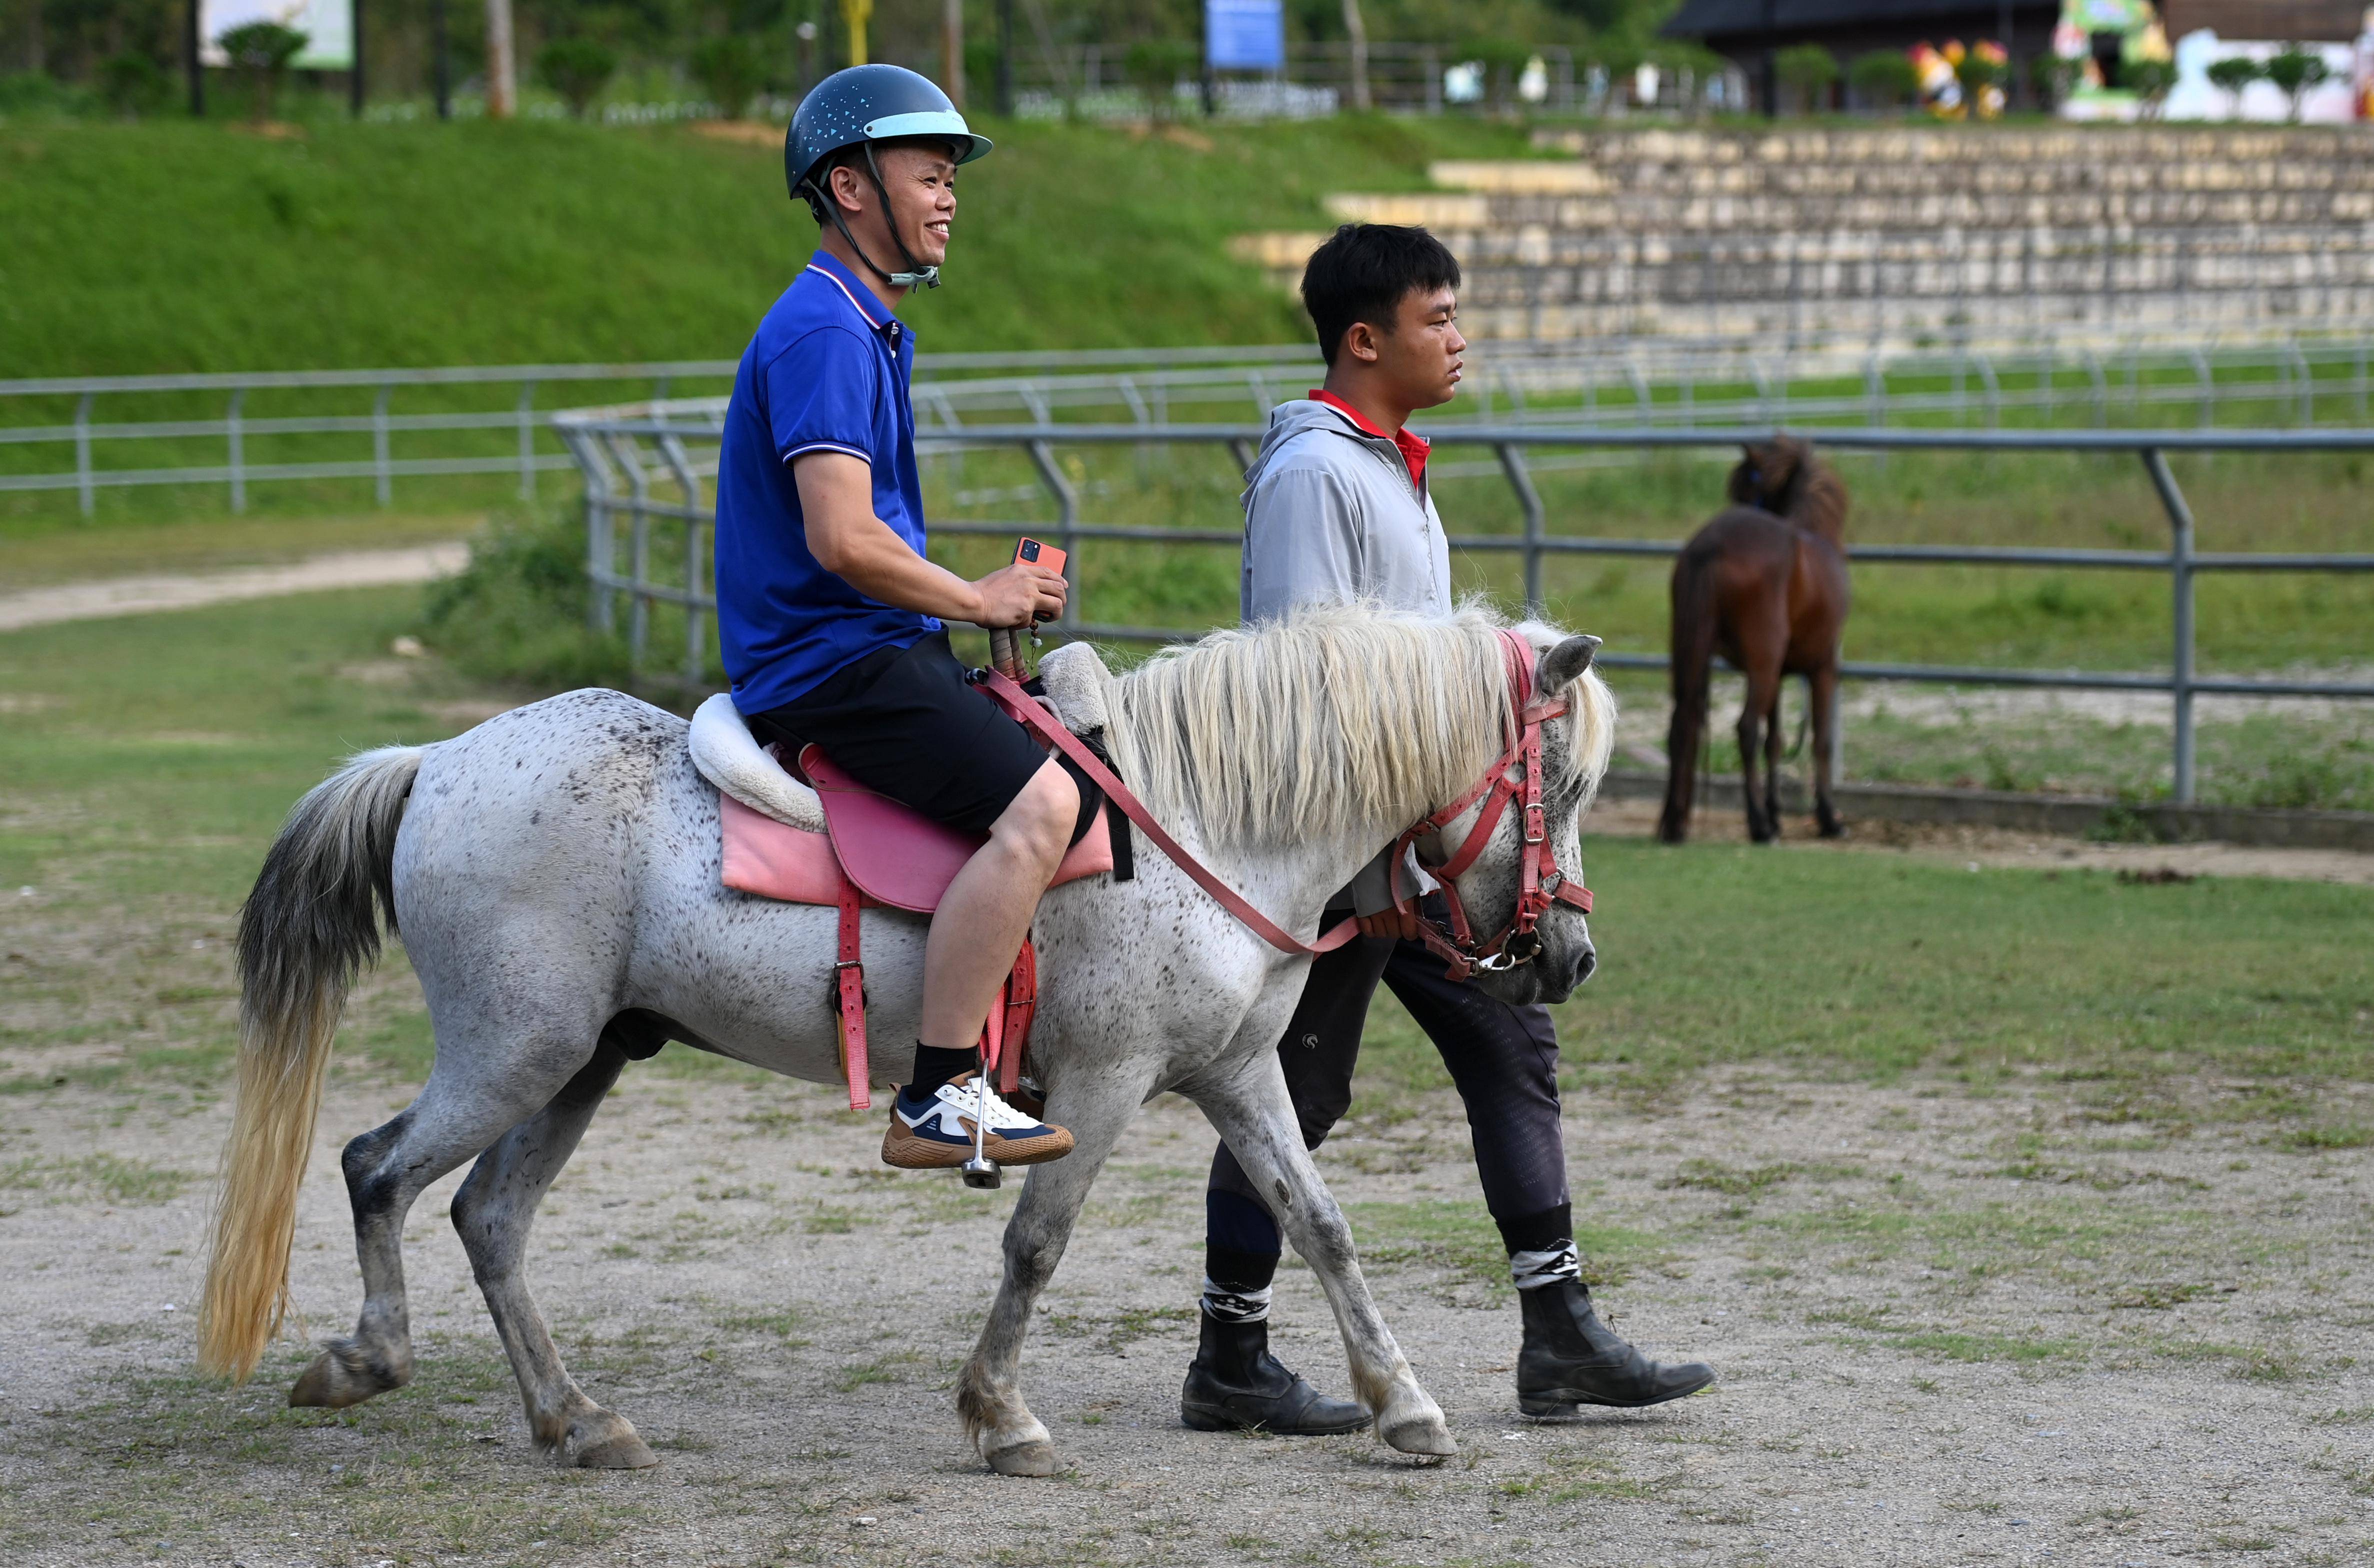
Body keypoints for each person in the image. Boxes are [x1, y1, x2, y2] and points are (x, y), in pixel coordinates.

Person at [1179, 224, 1716, 1431]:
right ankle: (1229, 1352)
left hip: (1423, 852)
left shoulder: (1388, 465)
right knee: (1293, 1092)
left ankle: (1558, 1330)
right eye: (1439, 318)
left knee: (1510, 1043)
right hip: (1345, 860)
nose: (1459, 337)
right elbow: (1307, 680)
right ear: (1365, 340)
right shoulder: (1315, 474)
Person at [712, 64, 1086, 1172]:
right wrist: (976, 598)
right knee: (1042, 808)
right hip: (832, 664)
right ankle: (940, 1089)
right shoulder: (826, 331)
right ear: (851, 184)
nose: (949, 195)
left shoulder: (862, 322)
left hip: (861, 646)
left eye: (950, 177)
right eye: (929, 173)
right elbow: (840, 536)